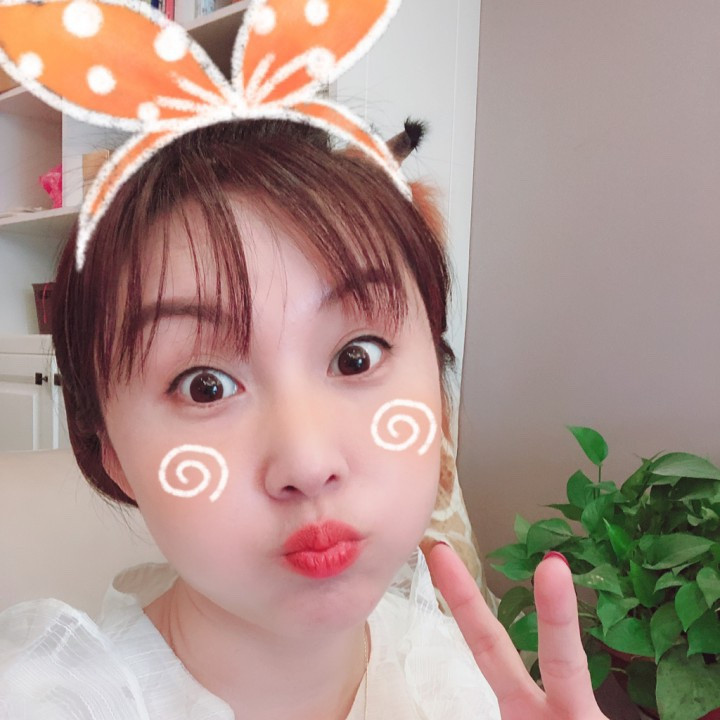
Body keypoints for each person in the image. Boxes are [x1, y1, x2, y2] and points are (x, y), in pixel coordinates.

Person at [0, 116, 609, 720]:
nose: (309, 464)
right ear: (110, 454)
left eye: (356, 357)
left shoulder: (456, 673)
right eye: (205, 387)